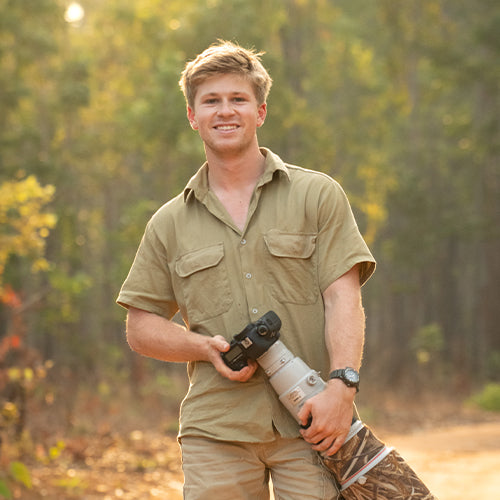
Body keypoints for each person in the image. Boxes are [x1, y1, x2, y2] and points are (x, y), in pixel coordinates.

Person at [117, 40, 376, 500]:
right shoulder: (168, 223)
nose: (225, 111)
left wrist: (343, 387)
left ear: (260, 111)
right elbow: (141, 327)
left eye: (237, 99)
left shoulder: (317, 195)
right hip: (216, 429)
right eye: (210, 101)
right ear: (193, 116)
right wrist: (203, 347)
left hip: (312, 422)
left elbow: (344, 297)